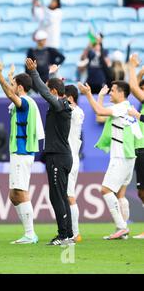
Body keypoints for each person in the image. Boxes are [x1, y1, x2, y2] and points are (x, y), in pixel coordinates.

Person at [78, 80, 140, 240]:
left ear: (121, 93)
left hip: (121, 157)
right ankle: (122, 230)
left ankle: (122, 227)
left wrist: (88, 95)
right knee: (120, 194)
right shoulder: (125, 107)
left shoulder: (120, 107)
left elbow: (99, 111)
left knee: (105, 190)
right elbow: (100, 113)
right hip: (129, 155)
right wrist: (100, 97)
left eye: (113, 91)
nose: (110, 93)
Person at [25, 58, 73, 245]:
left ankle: (63, 235)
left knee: (57, 197)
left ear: (54, 92)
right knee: (62, 196)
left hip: (58, 158)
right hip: (62, 156)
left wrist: (34, 72)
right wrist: (52, 74)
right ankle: (68, 234)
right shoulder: (64, 104)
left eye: (49, 89)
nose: (45, 92)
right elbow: (50, 89)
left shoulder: (60, 105)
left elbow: (45, 92)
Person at [0, 62, 44, 245]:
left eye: (14, 84)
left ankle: (30, 234)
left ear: (20, 87)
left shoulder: (25, 102)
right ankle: (28, 232)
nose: (11, 88)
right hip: (19, 152)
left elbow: (10, 94)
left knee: (20, 192)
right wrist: (9, 78)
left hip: (22, 152)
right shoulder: (25, 101)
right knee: (14, 195)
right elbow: (12, 92)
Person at [125, 54, 144, 239]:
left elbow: (133, 87)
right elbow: (134, 87)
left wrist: (131, 66)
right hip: (140, 149)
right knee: (141, 191)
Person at [64, 84, 85, 243]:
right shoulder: (76, 112)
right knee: (67, 195)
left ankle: (75, 233)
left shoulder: (75, 112)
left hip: (70, 158)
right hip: (71, 157)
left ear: (70, 98)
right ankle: (71, 231)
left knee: (69, 196)